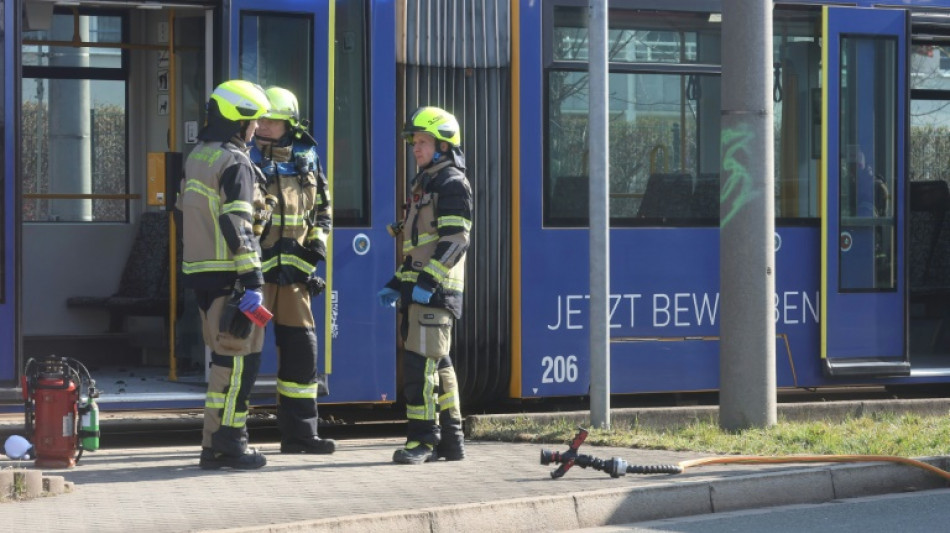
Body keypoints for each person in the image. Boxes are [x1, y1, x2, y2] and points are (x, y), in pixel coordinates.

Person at [178, 79, 271, 470]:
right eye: (254, 123)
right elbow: (237, 222)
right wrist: (252, 278)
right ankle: (231, 443)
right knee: (238, 363)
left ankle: (213, 446)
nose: (257, 130)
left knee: (222, 361)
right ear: (240, 121)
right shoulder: (235, 163)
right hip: (231, 276)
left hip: (202, 274)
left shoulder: (199, 155)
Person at [377, 106, 473, 464]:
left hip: (435, 291)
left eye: (422, 142)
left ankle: (424, 441)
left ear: (444, 146)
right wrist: (396, 282)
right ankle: (452, 440)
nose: (415, 148)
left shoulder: (451, 184)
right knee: (439, 364)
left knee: (422, 369)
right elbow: (418, 247)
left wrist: (429, 280)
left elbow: (456, 239)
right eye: (414, 142)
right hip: (420, 290)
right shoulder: (425, 183)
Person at [248, 87, 336, 454]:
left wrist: (315, 248)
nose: (263, 124)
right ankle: (233, 439)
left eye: (271, 119)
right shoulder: (245, 157)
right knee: (244, 351)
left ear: (289, 122)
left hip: (296, 278)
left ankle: (301, 435)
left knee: (302, 352)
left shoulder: (308, 159)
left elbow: (323, 213)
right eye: (261, 118)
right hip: (255, 278)